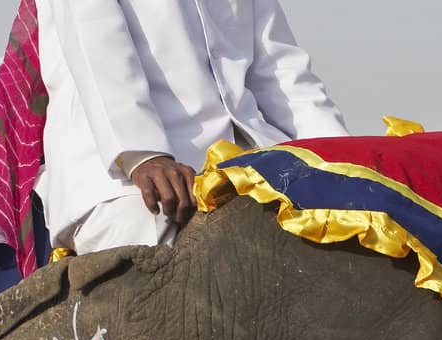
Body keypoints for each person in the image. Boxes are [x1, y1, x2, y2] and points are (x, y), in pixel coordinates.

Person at [36, 0, 349, 253]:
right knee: (162, 288)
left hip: (243, 168)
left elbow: (282, 71)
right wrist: (143, 156)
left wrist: (347, 162)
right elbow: (95, 45)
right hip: (122, 177)